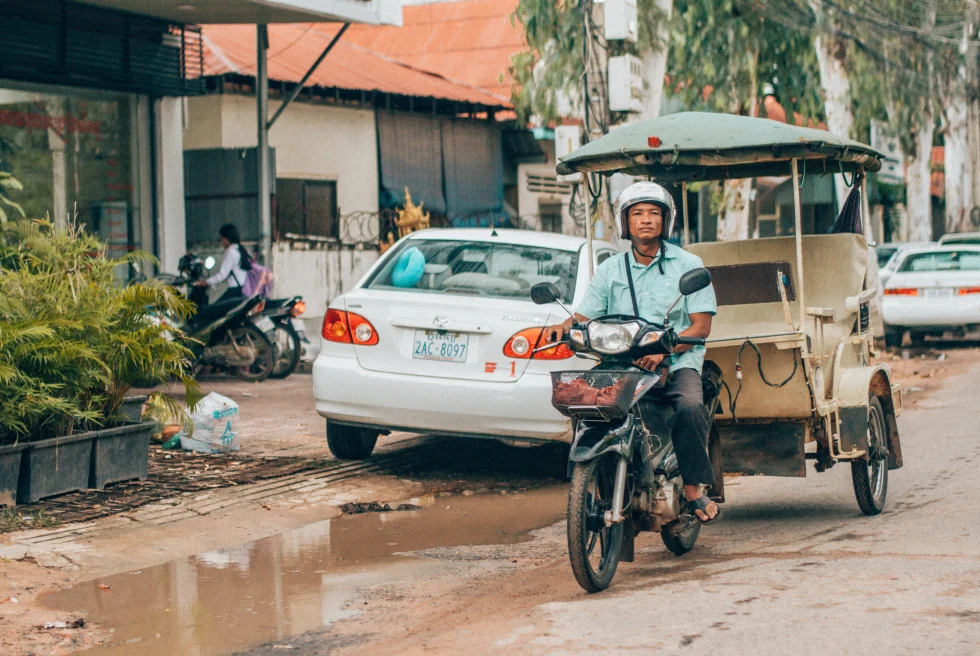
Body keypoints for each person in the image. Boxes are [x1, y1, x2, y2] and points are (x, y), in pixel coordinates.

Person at [545, 181, 721, 524]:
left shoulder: (688, 264)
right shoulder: (611, 269)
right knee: (582, 400)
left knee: (689, 405)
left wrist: (665, 351)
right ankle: (598, 475)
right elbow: (582, 316)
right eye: (637, 213)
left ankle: (693, 488)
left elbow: (700, 327)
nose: (645, 220)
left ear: (665, 221)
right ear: (626, 222)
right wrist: (561, 327)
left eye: (653, 213)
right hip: (622, 362)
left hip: (676, 360)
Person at [196, 223, 249, 303]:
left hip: (234, 291)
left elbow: (222, 274)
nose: (222, 241)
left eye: (222, 238)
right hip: (240, 289)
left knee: (213, 311)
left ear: (227, 239)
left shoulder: (231, 252)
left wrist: (206, 282)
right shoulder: (239, 249)